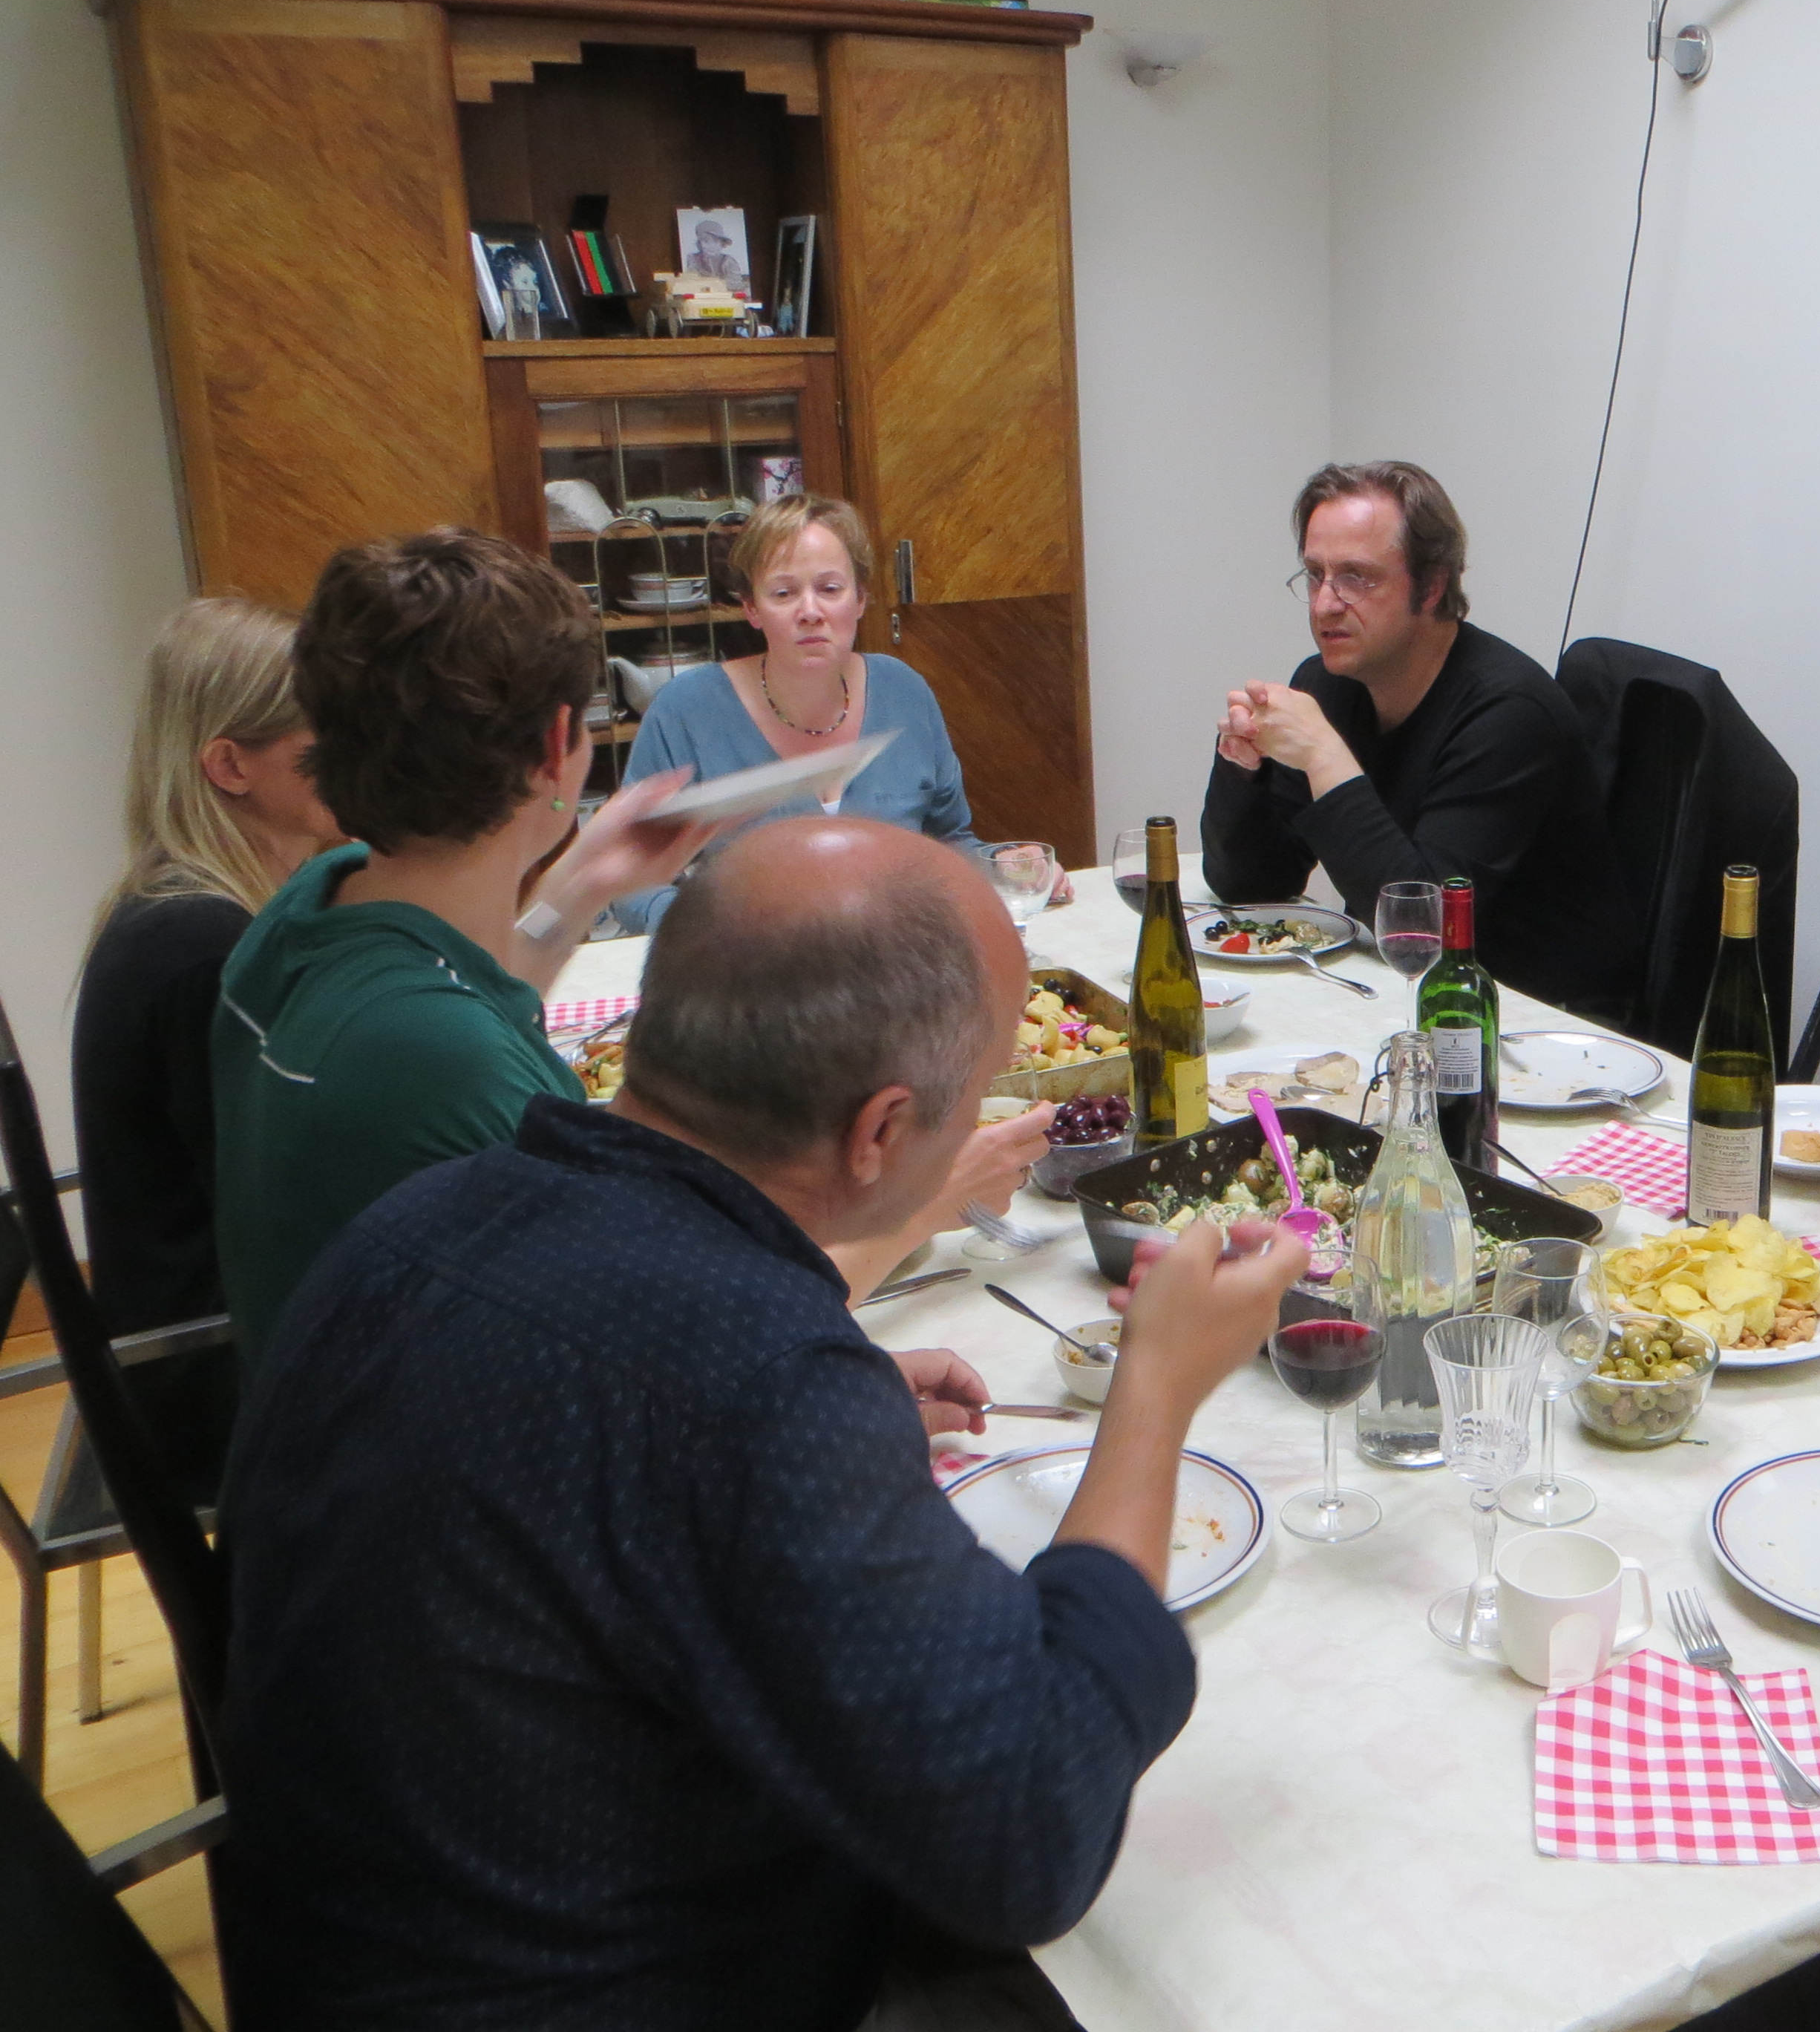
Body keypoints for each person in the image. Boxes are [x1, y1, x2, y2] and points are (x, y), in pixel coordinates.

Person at [216, 819, 1308, 2028]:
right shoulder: (750, 1379)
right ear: (880, 1132)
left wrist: (818, 1429)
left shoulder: (410, 1225)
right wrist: (1155, 1390)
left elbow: (605, 1466)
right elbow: (1032, 1831)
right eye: (976, 1095)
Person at [208, 529, 723, 1356]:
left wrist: (586, 879)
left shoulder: (314, 903)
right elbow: (655, 1344)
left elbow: (476, 996)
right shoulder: (436, 1057)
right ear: (557, 748)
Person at [1201, 459, 1629, 1016]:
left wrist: (1325, 756)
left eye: (1356, 577)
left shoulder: (1510, 713)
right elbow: (1251, 886)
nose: (1325, 603)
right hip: (1401, 996)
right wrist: (1243, 771)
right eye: (1315, 574)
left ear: (1431, 587)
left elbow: (1423, 933)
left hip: (1532, 1015)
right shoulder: (1328, 684)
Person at [71, 597, 335, 1494]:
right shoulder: (200, 949)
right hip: (215, 1382)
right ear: (229, 765)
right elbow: (288, 1208)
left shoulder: (194, 907)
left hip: (216, 1341)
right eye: (326, 731)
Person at [612, 496, 983, 933]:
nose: (810, 612)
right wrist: (703, 934)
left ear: (861, 599)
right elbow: (629, 878)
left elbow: (951, 842)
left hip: (894, 954)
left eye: (830, 589)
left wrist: (1006, 865)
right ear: (752, 608)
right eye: (784, 593)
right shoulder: (686, 710)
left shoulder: (904, 691)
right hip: (750, 963)